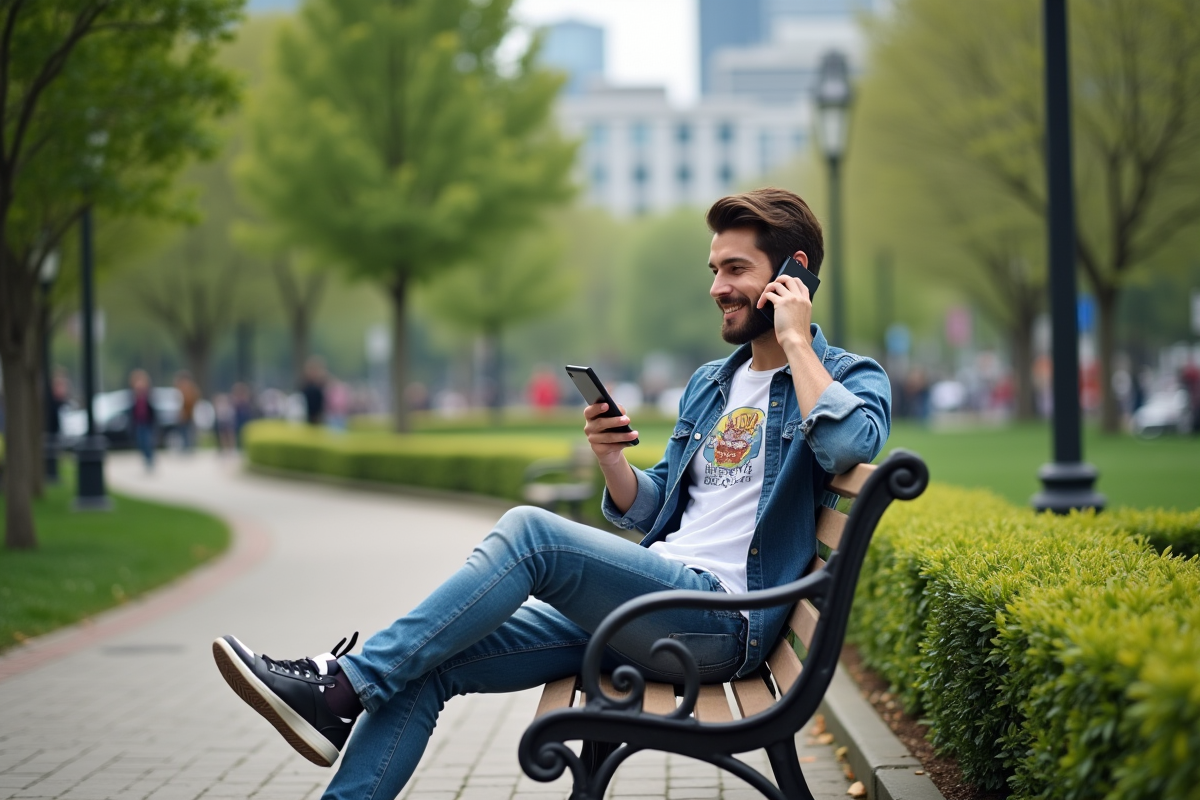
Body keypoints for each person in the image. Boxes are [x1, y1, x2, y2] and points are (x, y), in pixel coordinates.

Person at [211, 188, 891, 799]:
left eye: (735, 269)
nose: (717, 286)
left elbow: (848, 447)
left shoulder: (847, 377)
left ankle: (341, 686)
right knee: (428, 663)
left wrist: (797, 343)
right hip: (657, 608)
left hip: (721, 622)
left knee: (531, 532)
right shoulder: (713, 382)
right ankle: (353, 700)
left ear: (793, 273)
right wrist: (613, 465)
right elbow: (661, 512)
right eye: (713, 269)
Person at [128, 369, 157, 471]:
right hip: (138, 422)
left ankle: (150, 460)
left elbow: (152, 410)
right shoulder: (134, 397)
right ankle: (146, 459)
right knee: (140, 442)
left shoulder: (148, 395)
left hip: (147, 422)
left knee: (147, 441)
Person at [174, 371, 200, 452]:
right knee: (185, 432)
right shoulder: (185, 387)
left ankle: (188, 446)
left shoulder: (187, 388)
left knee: (188, 431)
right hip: (185, 414)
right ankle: (187, 446)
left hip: (189, 414)